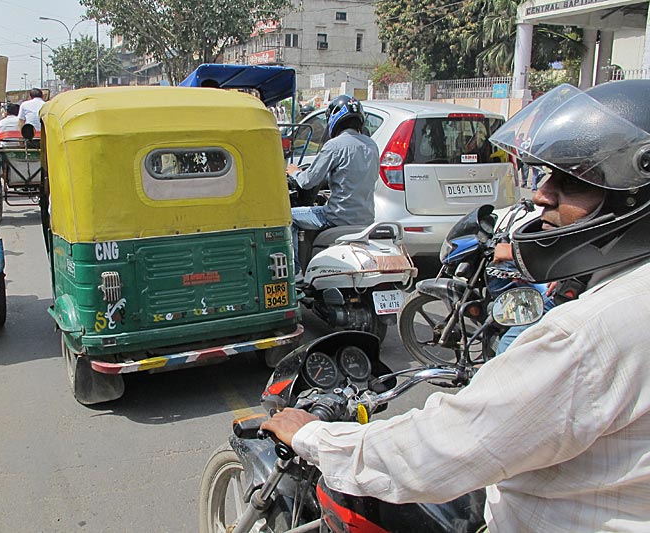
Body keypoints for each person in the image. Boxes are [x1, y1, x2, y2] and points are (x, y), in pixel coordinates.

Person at [262, 80, 650, 531]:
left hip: (536, 517)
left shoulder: (584, 336)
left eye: (570, 180)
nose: (543, 194)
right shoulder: (370, 143)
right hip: (372, 219)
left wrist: (317, 437)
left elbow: (447, 446)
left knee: (290, 224)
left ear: (634, 193)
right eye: (545, 176)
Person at [286, 95, 378, 279]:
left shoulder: (334, 146)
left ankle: (295, 273)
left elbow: (307, 181)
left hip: (337, 218)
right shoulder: (372, 145)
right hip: (366, 219)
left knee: (288, 218)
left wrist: (294, 172)